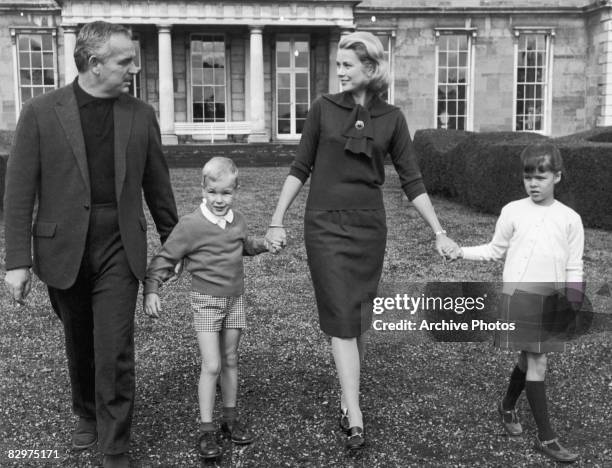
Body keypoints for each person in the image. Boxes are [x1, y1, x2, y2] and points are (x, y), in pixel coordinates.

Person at [265, 31, 457, 450]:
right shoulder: (322, 108)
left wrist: (439, 231)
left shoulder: (393, 118)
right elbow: (301, 166)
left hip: (369, 228)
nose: (340, 71)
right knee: (341, 316)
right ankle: (354, 411)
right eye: (338, 65)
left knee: (357, 316)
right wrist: (277, 220)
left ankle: (346, 394)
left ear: (370, 68)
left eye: (347, 65)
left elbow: (412, 181)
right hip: (324, 226)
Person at [3, 21, 178, 468]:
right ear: (95, 63)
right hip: (64, 247)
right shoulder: (41, 112)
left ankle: (115, 443)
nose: (133, 69)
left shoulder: (141, 115)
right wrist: (17, 262)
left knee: (115, 344)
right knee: (79, 339)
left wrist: (174, 245)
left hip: (120, 241)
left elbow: (158, 186)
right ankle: (85, 410)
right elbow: (20, 192)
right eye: (125, 61)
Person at [449, 143, 583, 463]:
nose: (533, 183)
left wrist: (574, 303)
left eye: (541, 176)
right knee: (536, 361)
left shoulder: (570, 219)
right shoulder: (512, 211)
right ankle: (547, 438)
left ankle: (507, 405)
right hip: (518, 297)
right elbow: (495, 250)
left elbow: (574, 266)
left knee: (529, 360)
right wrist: (461, 251)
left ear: (557, 176)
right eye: (527, 177)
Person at [143, 157, 277, 460]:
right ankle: (206, 430)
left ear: (236, 191)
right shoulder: (190, 225)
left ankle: (229, 420)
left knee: (230, 359)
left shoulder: (238, 220)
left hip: (235, 299)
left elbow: (244, 245)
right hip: (206, 302)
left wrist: (265, 244)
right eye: (214, 192)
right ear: (203, 189)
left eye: (226, 193)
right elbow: (164, 259)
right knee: (212, 365)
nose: (220, 199)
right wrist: (152, 289)